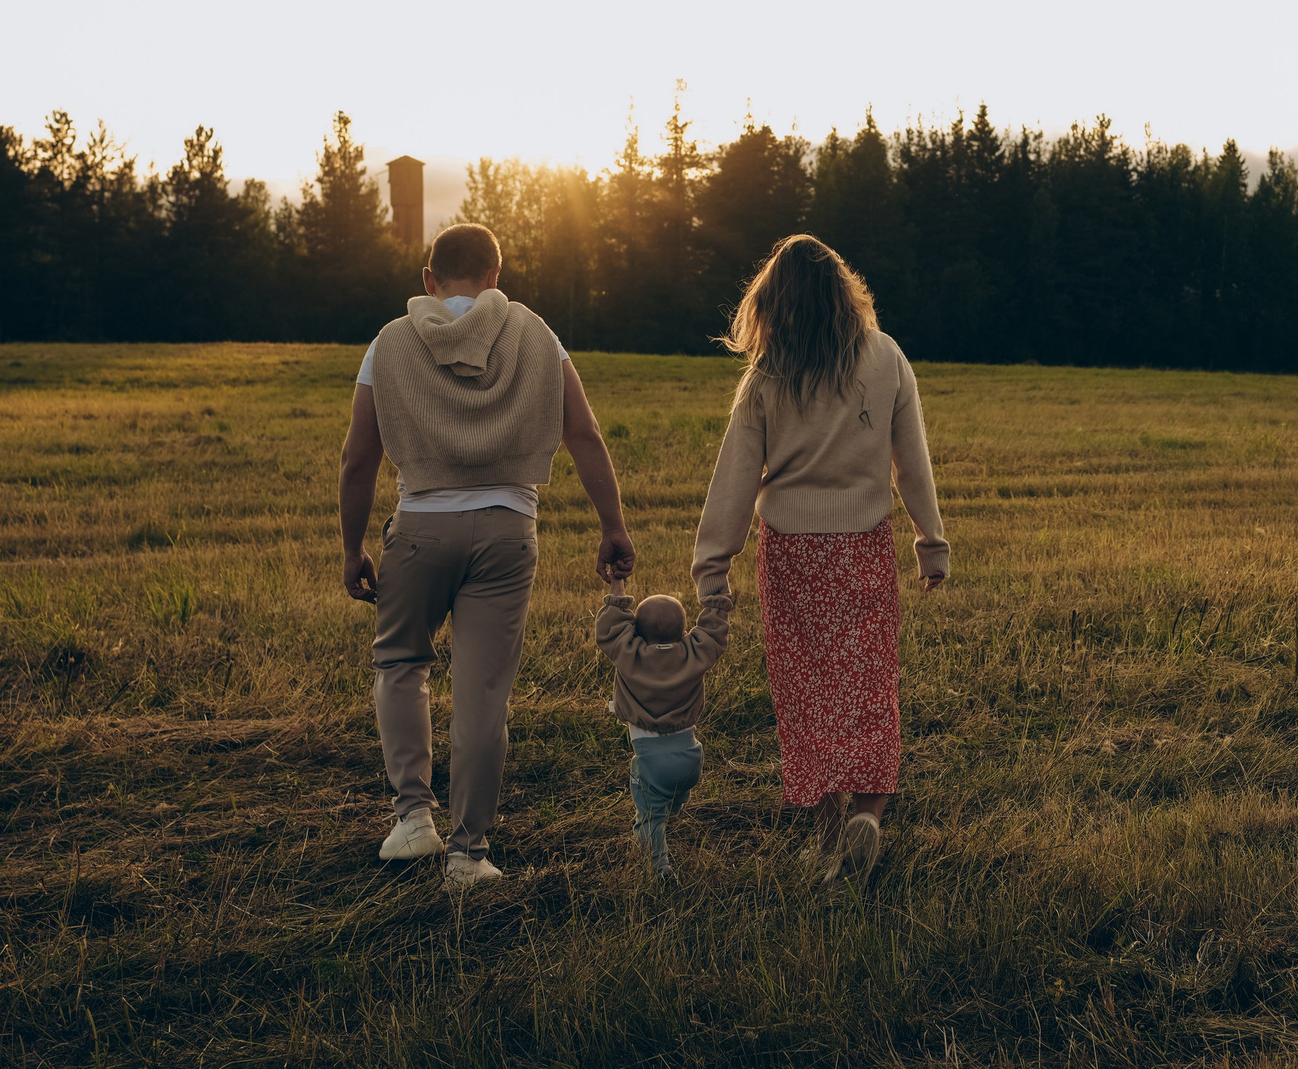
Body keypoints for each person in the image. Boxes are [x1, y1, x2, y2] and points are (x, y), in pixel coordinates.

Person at [340, 222, 636, 890]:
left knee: (399, 663)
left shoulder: (389, 342)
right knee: (483, 695)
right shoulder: (537, 334)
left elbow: (359, 459)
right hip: (507, 528)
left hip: (418, 525)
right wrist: (612, 523)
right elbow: (583, 433)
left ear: (429, 280)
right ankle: (468, 855)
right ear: (496, 277)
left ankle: (413, 818)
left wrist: (352, 544)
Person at [691, 234, 948, 885]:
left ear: (773, 302)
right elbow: (911, 461)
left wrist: (712, 566)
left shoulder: (767, 375)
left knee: (805, 690)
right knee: (867, 683)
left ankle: (830, 834)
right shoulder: (887, 357)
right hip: (862, 545)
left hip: (791, 554)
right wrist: (931, 541)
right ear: (844, 290)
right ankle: (869, 813)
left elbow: (735, 478)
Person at [593, 578, 730, 881]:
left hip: (652, 761)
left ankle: (660, 869)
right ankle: (675, 807)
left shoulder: (630, 654)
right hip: (691, 758)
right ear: (684, 633)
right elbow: (714, 634)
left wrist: (617, 588)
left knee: (650, 819)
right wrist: (716, 600)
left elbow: (610, 630)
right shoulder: (693, 653)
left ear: (636, 633)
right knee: (672, 801)